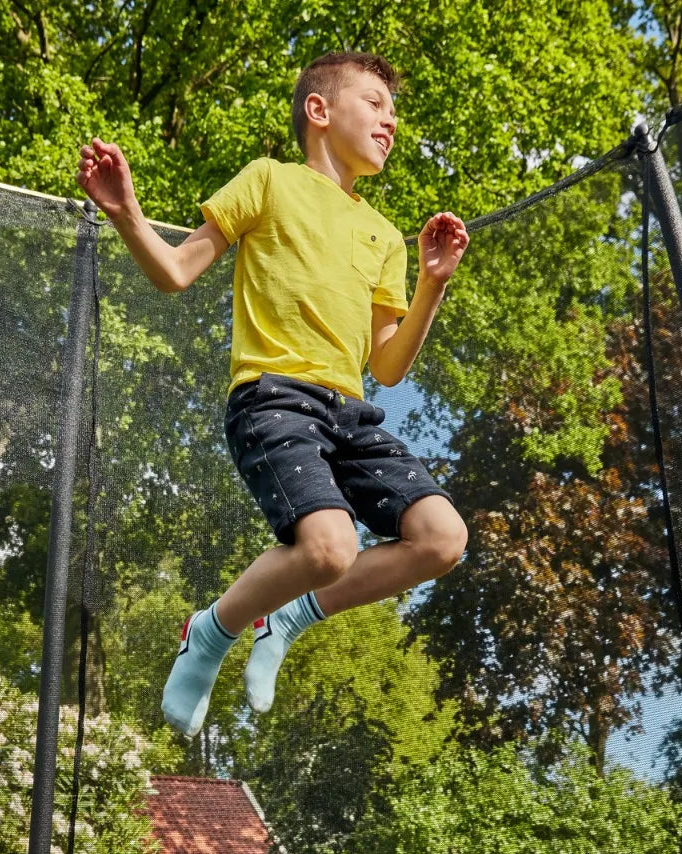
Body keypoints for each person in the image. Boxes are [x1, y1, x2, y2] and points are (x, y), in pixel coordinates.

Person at [77, 51, 469, 738]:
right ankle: (210, 631)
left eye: (393, 111)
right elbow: (175, 271)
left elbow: (388, 364)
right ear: (319, 110)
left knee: (443, 538)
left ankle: (289, 616)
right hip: (274, 399)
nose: (390, 121)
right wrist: (126, 212)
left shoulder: (385, 236)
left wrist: (432, 285)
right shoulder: (268, 180)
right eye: (374, 103)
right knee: (329, 548)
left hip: (350, 412)